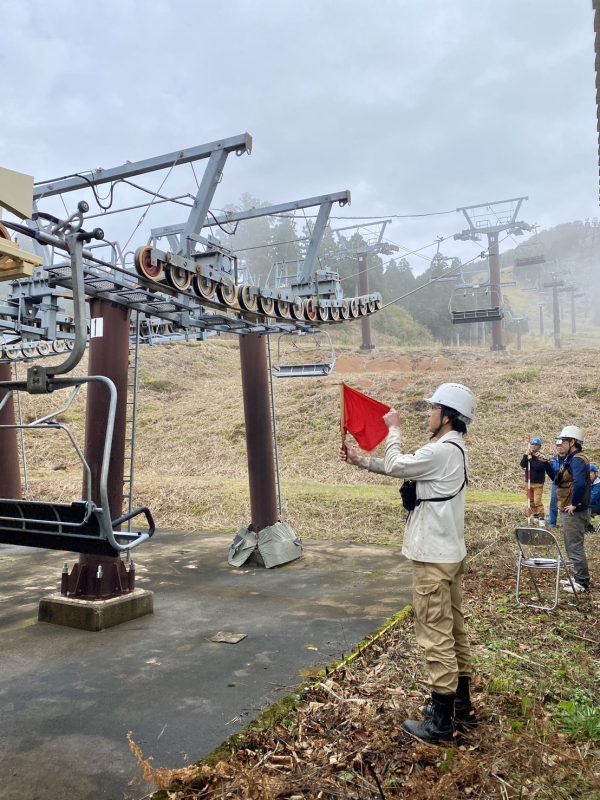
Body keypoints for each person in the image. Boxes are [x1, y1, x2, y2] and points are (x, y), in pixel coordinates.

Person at [339, 382, 477, 745]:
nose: (428, 414)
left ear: (447, 416)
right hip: (447, 556)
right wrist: (362, 461)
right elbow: (404, 468)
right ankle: (461, 707)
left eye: (433, 409)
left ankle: (441, 724)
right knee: (454, 631)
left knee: (436, 637)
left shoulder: (443, 450)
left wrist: (393, 427)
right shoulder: (451, 449)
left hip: (433, 559)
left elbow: (400, 462)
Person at [545, 426, 592, 593]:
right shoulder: (570, 459)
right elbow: (558, 481)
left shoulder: (578, 459)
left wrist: (574, 503)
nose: (559, 444)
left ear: (573, 442)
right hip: (569, 508)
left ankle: (582, 582)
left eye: (562, 441)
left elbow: (580, 483)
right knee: (571, 544)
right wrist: (546, 464)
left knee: (575, 546)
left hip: (575, 511)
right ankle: (578, 576)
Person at [519, 437, 547, 522]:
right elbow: (522, 465)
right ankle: (535, 515)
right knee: (530, 501)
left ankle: (541, 516)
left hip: (538, 483)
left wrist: (531, 459)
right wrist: (525, 455)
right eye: (533, 444)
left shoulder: (541, 456)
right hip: (528, 482)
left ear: (539, 447)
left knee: (537, 501)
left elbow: (538, 467)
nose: (534, 446)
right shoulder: (528, 455)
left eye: (536, 445)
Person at [547, 442, 562, 529]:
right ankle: (552, 523)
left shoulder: (569, 459)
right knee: (553, 504)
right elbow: (552, 474)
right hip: (556, 484)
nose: (559, 447)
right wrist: (547, 464)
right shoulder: (553, 459)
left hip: (567, 484)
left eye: (561, 445)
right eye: (558, 446)